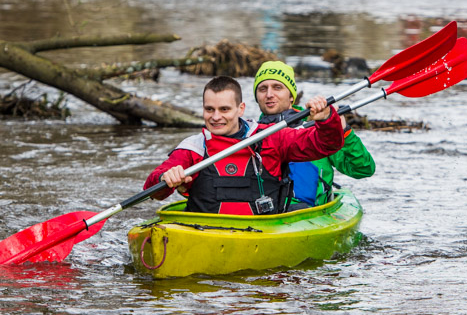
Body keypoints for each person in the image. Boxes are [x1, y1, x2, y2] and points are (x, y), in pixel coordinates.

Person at [144, 75, 344, 215]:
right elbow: (154, 189)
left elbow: (327, 145)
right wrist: (165, 178)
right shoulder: (194, 147)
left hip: (263, 235)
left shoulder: (271, 138)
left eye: (224, 109)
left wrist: (326, 118)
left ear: (241, 109)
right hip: (206, 233)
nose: (215, 117)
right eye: (209, 109)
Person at [253, 61, 375, 207]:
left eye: (277, 87)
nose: (269, 94)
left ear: (291, 96)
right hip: (269, 215)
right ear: (257, 97)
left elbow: (363, 169)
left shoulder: (320, 130)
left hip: (312, 213)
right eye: (262, 89)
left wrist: (344, 131)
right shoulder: (250, 134)